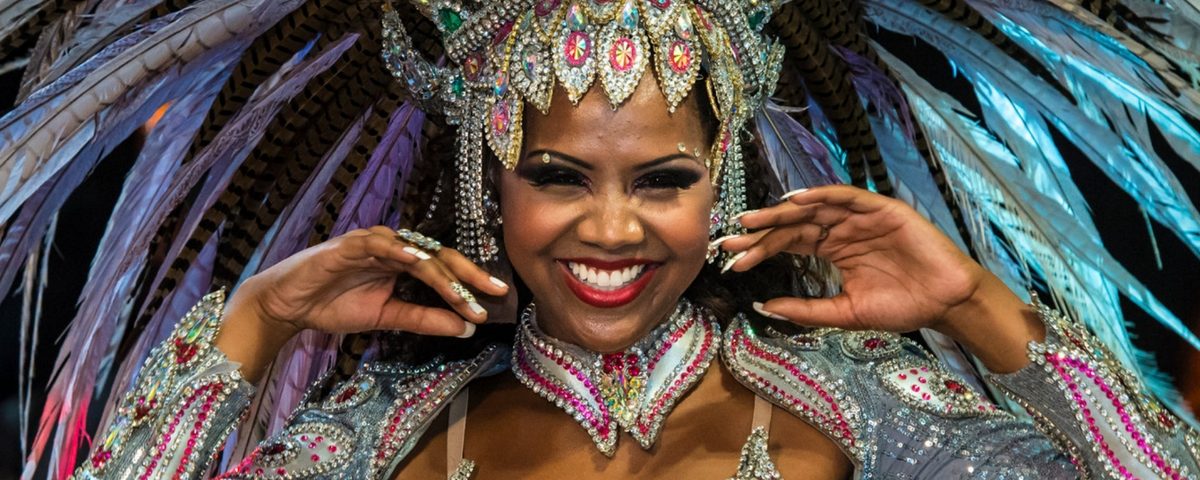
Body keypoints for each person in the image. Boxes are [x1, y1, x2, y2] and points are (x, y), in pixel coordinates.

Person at [4, 0, 1200, 478]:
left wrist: (974, 305)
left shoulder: (864, 409)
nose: (614, 230)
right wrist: (256, 321)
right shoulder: (376, 440)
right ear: (489, 185)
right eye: (559, 177)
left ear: (725, 185)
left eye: (665, 180)